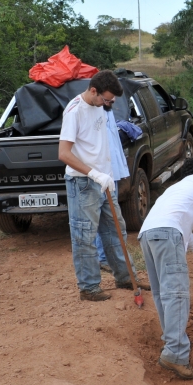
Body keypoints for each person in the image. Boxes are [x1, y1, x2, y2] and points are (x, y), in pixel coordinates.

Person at [138, 158, 193, 380]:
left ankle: (172, 342)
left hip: (148, 235)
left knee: (162, 293)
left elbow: (182, 229)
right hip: (167, 234)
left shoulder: (174, 190)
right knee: (176, 294)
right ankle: (175, 353)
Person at [58, 70, 138, 301]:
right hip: (83, 184)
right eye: (107, 99)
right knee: (85, 236)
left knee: (116, 232)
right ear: (93, 91)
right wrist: (94, 174)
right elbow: (64, 153)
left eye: (112, 101)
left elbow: (100, 145)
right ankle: (89, 287)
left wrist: (108, 175)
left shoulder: (100, 107)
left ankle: (125, 278)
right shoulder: (75, 112)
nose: (109, 104)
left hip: (104, 181)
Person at [95, 105, 131, 272]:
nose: (114, 101)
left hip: (112, 172)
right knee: (103, 216)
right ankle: (103, 258)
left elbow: (115, 143)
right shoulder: (91, 112)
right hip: (99, 173)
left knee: (112, 217)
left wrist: (121, 168)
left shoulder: (108, 110)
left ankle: (110, 258)